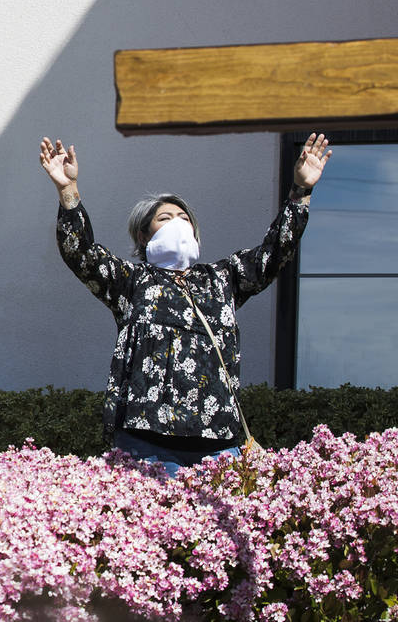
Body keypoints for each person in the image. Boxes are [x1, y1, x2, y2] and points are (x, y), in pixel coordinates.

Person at [39, 133, 332, 475]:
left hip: (218, 445)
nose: (177, 222)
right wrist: (67, 191)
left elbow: (273, 254)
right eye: (165, 218)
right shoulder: (132, 282)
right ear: (143, 236)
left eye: (184, 217)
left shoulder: (222, 278)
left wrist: (301, 191)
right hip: (145, 442)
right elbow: (82, 254)